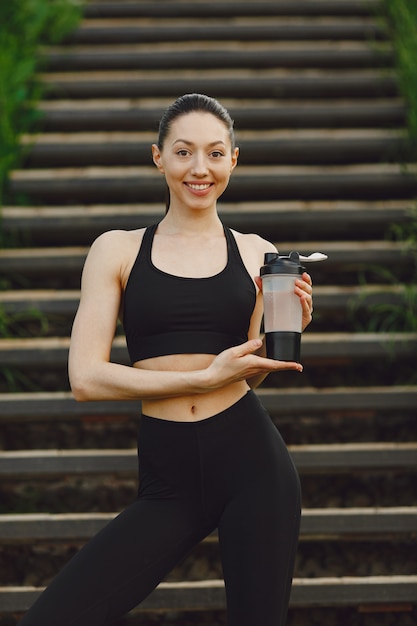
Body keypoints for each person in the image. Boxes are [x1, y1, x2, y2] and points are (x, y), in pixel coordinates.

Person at [19, 93, 313, 626]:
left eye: (215, 153)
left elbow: (251, 367)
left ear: (233, 160)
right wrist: (205, 377)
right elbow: (86, 379)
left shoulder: (256, 251)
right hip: (169, 474)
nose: (200, 169)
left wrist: (287, 330)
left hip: (252, 465)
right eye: (183, 152)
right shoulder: (117, 250)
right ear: (158, 157)